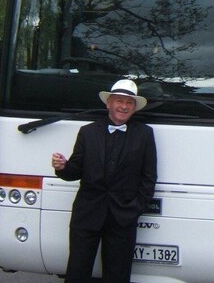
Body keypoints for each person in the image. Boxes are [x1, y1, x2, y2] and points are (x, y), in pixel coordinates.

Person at [51, 79, 157, 283]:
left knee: (118, 274)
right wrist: (63, 167)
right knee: (77, 271)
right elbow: (75, 170)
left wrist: (136, 208)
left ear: (134, 108)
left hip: (123, 217)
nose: (124, 106)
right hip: (87, 214)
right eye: (119, 101)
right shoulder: (88, 132)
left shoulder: (145, 134)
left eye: (129, 103)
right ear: (108, 103)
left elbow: (149, 177)